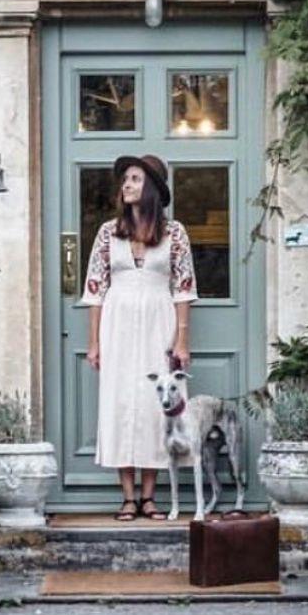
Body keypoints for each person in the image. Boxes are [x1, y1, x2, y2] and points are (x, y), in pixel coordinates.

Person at [80, 153, 199, 521]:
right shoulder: (107, 233)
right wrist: (95, 341)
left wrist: (181, 340)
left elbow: (183, 289)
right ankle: (127, 496)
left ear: (150, 189)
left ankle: (150, 496)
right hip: (117, 325)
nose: (126, 185)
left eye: (134, 179)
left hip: (158, 323)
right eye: (125, 179)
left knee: (154, 407)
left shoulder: (174, 233)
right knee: (118, 405)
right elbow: (95, 290)